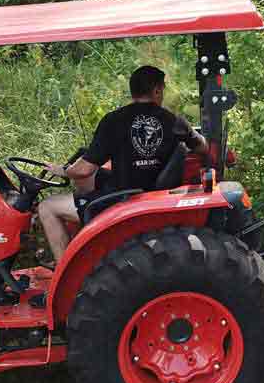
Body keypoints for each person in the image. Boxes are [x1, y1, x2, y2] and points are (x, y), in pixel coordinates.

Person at [38, 65, 207, 264]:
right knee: (91, 177)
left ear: (133, 90)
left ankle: (64, 270)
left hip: (123, 199)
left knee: (47, 207)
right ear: (157, 90)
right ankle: (89, 245)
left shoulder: (114, 120)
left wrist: (63, 170)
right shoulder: (173, 120)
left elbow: (83, 170)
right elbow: (202, 148)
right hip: (154, 191)